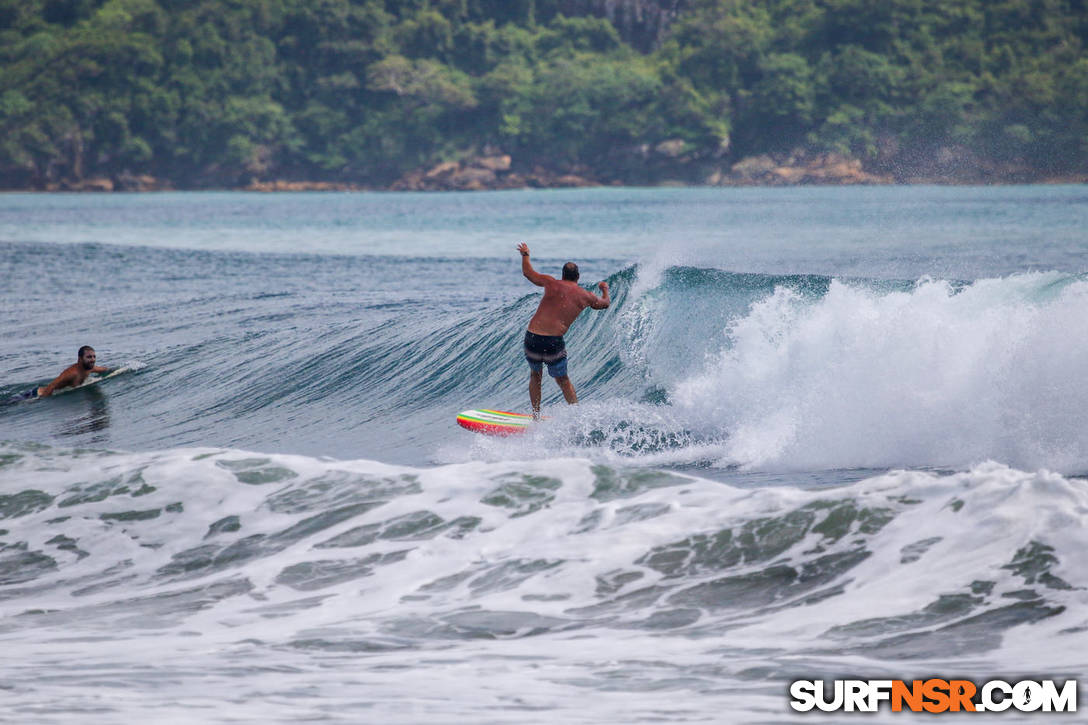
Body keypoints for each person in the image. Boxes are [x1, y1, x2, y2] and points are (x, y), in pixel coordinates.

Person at [517, 243, 609, 417]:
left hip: (533, 337)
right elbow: (604, 304)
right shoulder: (585, 295)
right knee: (563, 380)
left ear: (562, 275)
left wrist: (525, 255)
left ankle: (536, 417)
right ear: (578, 277)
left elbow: (528, 273)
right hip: (553, 342)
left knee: (535, 375)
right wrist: (604, 289)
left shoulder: (551, 283)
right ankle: (576, 417)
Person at [13, 346, 111, 400]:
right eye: (89, 357)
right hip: (33, 395)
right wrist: (41, 401)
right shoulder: (72, 373)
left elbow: (104, 370)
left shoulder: (89, 368)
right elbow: (52, 385)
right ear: (80, 359)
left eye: (94, 356)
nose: (92, 359)